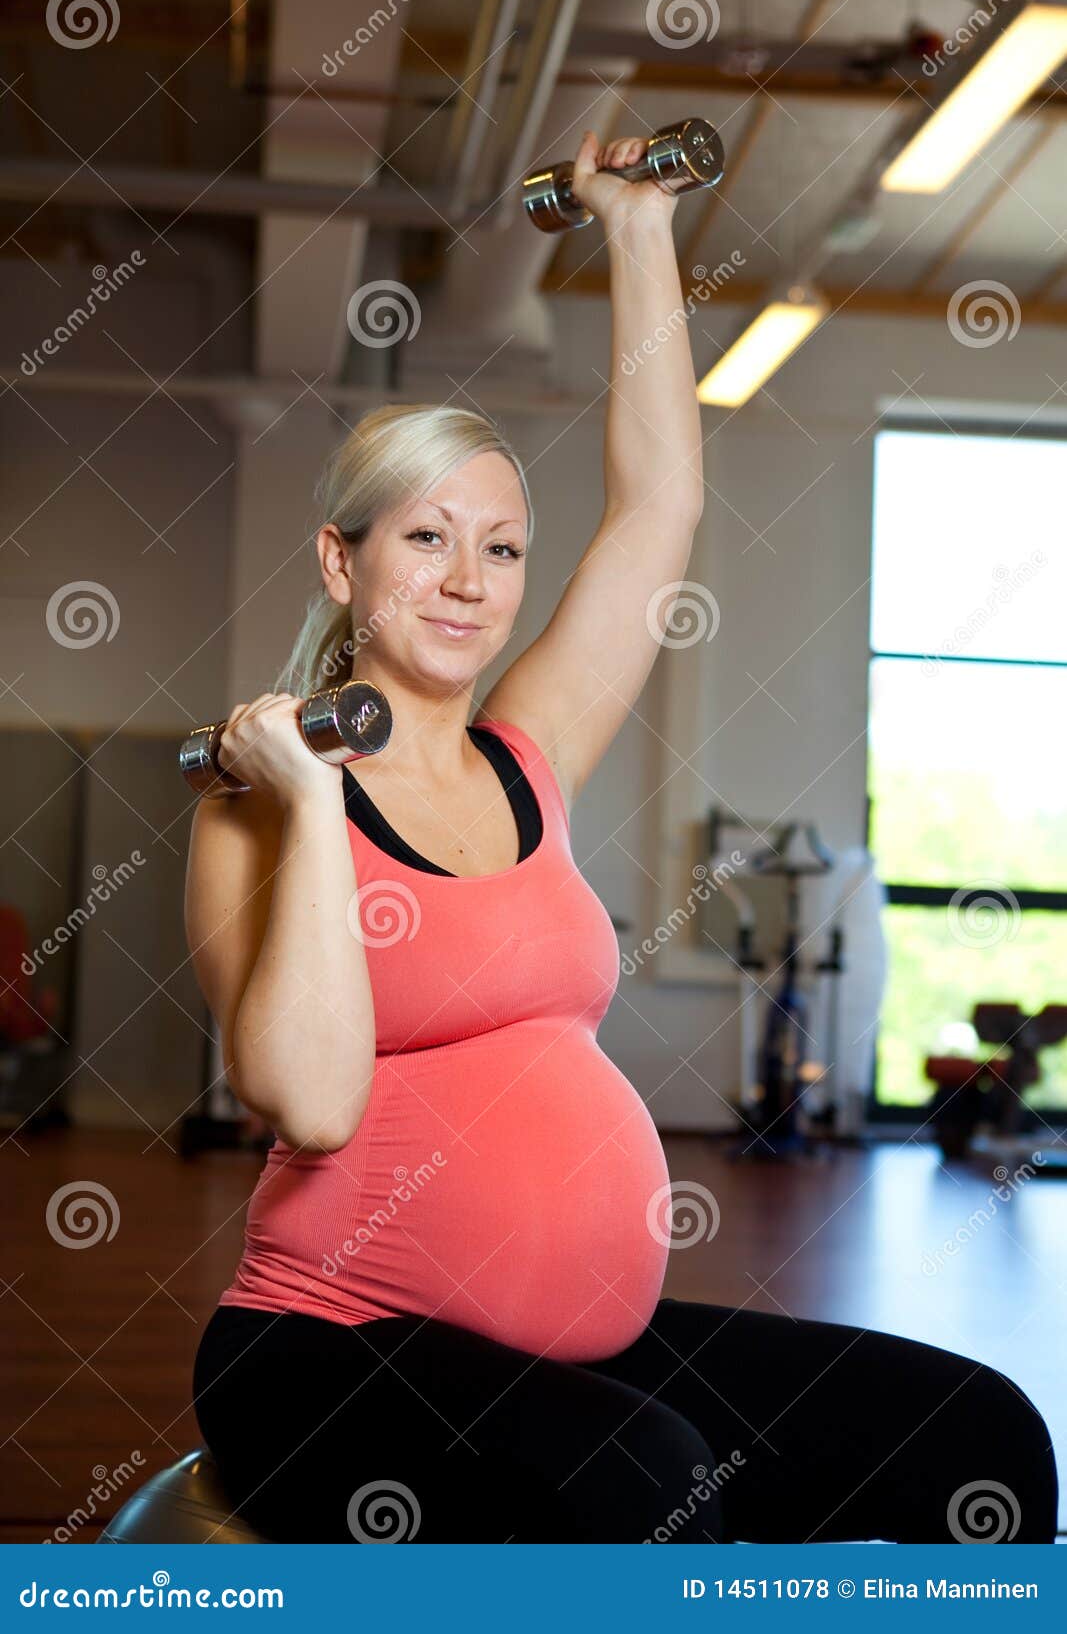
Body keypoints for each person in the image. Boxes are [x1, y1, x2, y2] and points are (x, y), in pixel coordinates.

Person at [185, 131, 1058, 1544]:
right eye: (427, 538)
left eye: (505, 548)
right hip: (327, 1357)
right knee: (645, 1488)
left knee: (983, 1440)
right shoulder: (258, 805)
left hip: (561, 1355)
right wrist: (309, 797)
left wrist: (640, 227)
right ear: (345, 559)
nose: (471, 579)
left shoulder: (529, 750)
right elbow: (315, 1104)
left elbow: (659, 510)